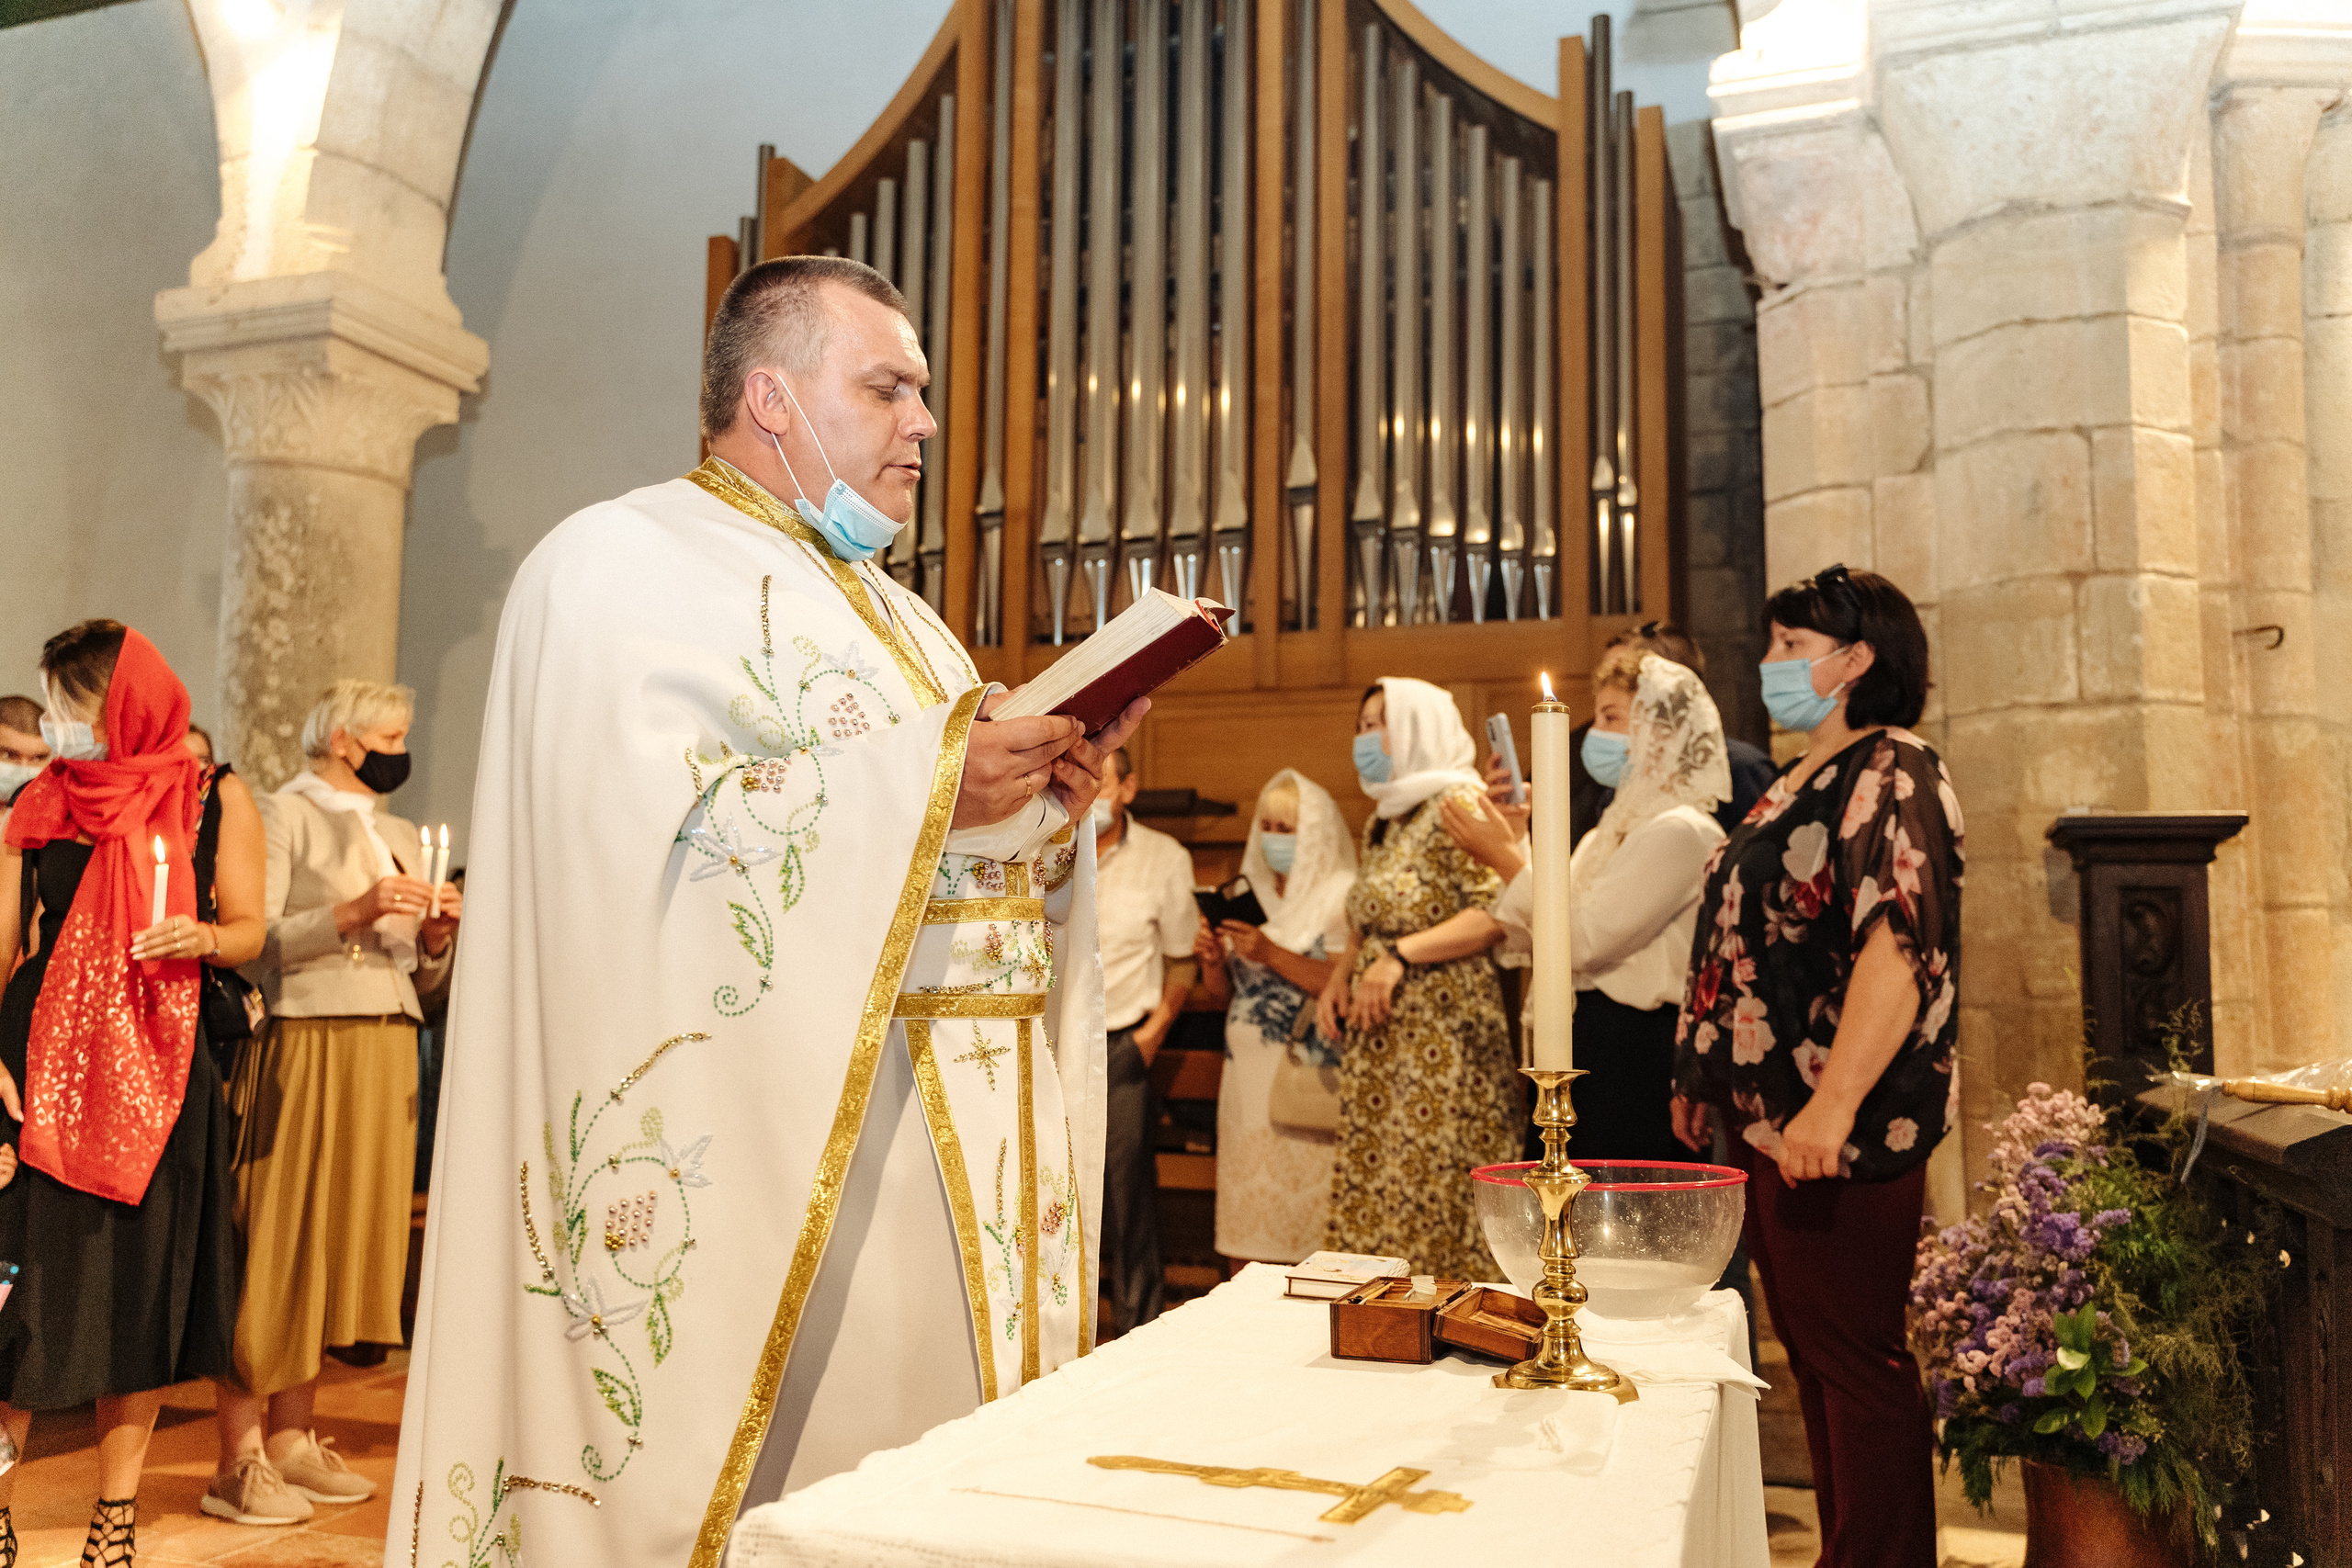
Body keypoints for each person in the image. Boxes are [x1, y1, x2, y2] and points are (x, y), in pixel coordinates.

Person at [394, 255, 1143, 1566]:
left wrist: (1045, 809)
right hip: (771, 1177)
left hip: (945, 1183)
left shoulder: (917, 630)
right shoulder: (612, 567)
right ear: (773, 396)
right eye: (889, 387)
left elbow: (961, 870)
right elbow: (624, 865)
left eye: (922, 393)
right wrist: (927, 784)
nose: (924, 422)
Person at [1671, 564, 1962, 1568]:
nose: (1771, 665)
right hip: (1771, 1119)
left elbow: (1898, 942)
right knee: (1820, 1362)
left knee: (1859, 1364)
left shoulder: (1894, 768)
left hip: (1840, 1129)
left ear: (1857, 659)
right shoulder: (1797, 778)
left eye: (1792, 647)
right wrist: (1699, 1074)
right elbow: (1744, 938)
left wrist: (1830, 1110)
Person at [0, 621, 266, 1568]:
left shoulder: (211, 798)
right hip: (42, 1062)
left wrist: (203, 940)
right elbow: (2, 948)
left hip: (161, 1059)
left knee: (136, 1298)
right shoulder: (41, 799)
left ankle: (114, 1518)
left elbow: (246, 927)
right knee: (21, 1297)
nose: (61, 725)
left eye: (69, 704)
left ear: (118, 701)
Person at [205, 679, 460, 1524]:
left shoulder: (395, 832)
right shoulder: (280, 813)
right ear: (345, 738)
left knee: (340, 1237)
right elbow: (253, 938)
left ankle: (294, 1439)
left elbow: (423, 984)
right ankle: (237, 1457)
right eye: (390, 729)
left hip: (388, 1038)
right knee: (279, 1232)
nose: (400, 743)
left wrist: (433, 940)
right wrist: (351, 910)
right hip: (305, 1033)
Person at [1446, 651, 1729, 1164]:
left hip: (1634, 1050)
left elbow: (1580, 942)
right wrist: (1515, 833)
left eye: (1612, 718)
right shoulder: (1610, 829)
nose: (1594, 733)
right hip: (1586, 1037)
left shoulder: (1684, 830)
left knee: (1622, 1223)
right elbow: (1533, 931)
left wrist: (1505, 860)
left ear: (1659, 732)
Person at [1315, 678, 1511, 1279]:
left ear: (1419, 726)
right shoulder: (1386, 818)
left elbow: (1496, 912)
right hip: (1384, 1038)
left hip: (1444, 1039)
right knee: (1381, 1189)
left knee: (1433, 1187)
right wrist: (1342, 973)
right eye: (1361, 724)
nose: (1365, 737)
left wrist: (1400, 955)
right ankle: (1381, 1328)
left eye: (1380, 722)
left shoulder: (1461, 801)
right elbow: (1368, 915)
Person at [1194, 770, 1353, 1266]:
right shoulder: (1253, 892)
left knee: (1312, 1236)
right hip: (1245, 1086)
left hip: (1310, 1080)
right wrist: (1213, 964)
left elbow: (1340, 984)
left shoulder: (1341, 894)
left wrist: (1270, 952)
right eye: (1268, 827)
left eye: (1288, 829)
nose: (1274, 840)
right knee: (1248, 1237)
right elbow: (1225, 996)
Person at [1091, 746, 1202, 1334]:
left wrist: (1152, 1036)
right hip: (1052, 1045)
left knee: (1123, 1195)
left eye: (1103, 781)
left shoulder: (1164, 859)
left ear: (1129, 789)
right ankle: (1068, 1331)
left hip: (1122, 1044)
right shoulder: (1049, 850)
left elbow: (1184, 962)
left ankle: (1137, 1328)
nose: (1093, 794)